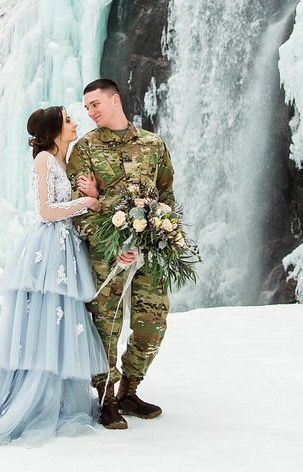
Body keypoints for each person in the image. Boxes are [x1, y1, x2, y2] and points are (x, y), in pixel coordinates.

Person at [0, 106, 107, 446]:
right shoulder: (44, 160)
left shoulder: (64, 159)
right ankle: (32, 399)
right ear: (55, 129)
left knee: (60, 320)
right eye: (69, 120)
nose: (75, 124)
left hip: (65, 245)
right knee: (46, 317)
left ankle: (54, 396)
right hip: (48, 244)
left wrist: (88, 195)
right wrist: (85, 204)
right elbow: (45, 210)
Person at [67, 78, 176, 430]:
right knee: (106, 327)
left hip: (149, 253)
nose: (90, 112)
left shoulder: (152, 144)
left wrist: (160, 233)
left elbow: (166, 195)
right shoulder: (84, 149)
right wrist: (113, 243)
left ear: (115, 99)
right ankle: (106, 399)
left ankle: (130, 390)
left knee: (153, 324)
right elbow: (77, 207)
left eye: (95, 104)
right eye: (86, 107)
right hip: (106, 256)